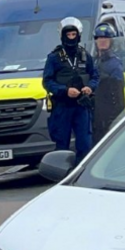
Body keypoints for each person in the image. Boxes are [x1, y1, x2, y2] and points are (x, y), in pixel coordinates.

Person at [43, 17, 99, 161]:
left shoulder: (85, 56)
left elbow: (95, 76)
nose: (71, 38)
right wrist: (64, 90)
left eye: (74, 35)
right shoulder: (54, 58)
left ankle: (81, 175)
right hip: (62, 107)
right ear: (63, 36)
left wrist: (90, 87)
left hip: (82, 106)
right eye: (68, 35)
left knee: (85, 145)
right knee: (62, 145)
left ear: (78, 35)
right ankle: (61, 176)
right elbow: (47, 81)